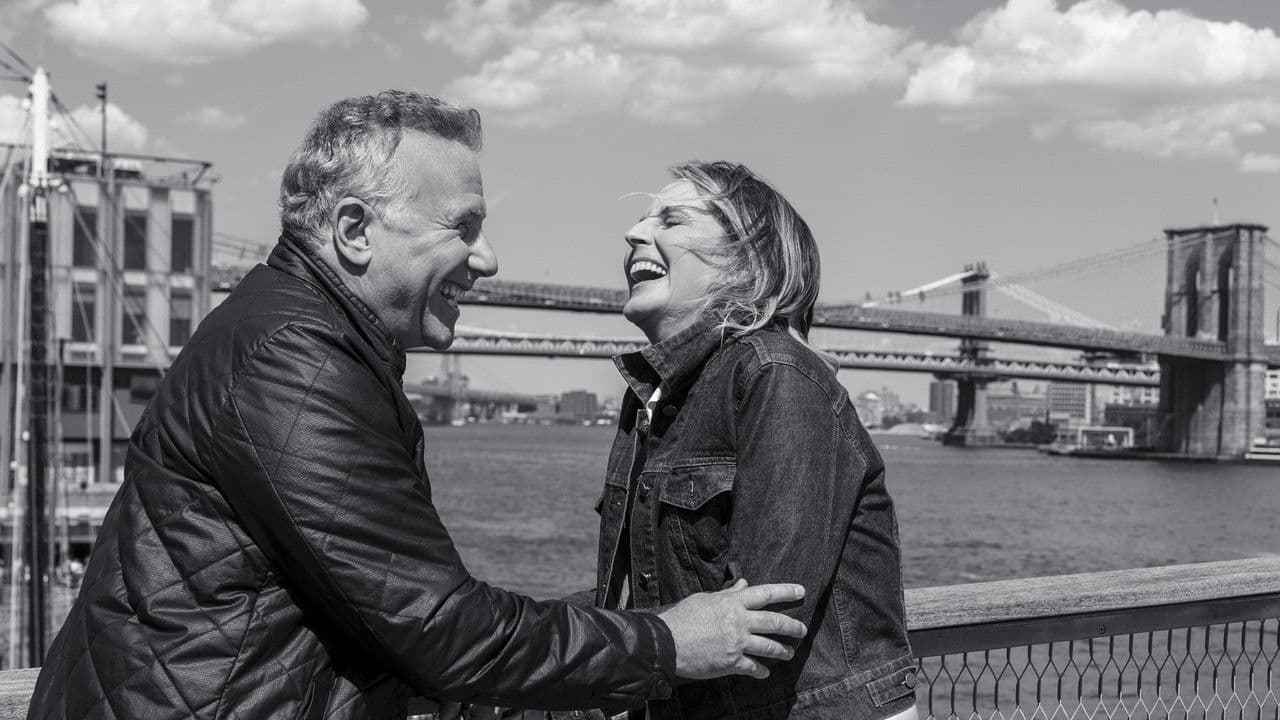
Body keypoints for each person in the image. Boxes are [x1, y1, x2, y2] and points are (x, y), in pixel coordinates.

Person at [27, 94, 809, 720]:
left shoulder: (293, 336)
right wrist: (666, 643)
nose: (488, 260)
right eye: (464, 228)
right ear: (354, 230)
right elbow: (441, 629)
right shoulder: (294, 361)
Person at [574, 162, 919, 719]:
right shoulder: (654, 397)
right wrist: (519, 644)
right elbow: (651, 600)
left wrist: (582, 654)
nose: (633, 232)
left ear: (746, 262)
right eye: (642, 219)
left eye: (671, 220)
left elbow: (763, 616)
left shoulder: (776, 373)